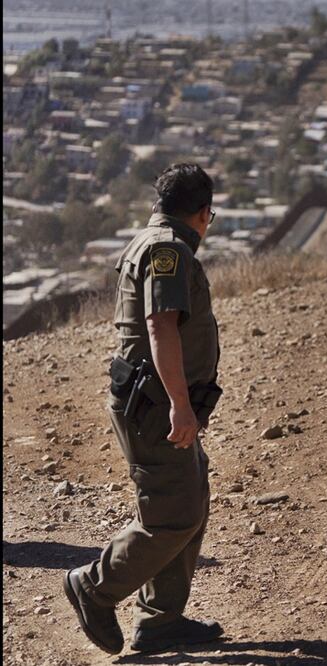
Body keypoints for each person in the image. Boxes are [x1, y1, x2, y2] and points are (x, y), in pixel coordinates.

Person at [63, 163, 224, 654]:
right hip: (156, 404)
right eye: (210, 216)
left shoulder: (153, 239)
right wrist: (180, 405)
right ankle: (94, 586)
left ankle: (160, 621)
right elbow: (160, 327)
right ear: (201, 213)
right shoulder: (166, 249)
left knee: (190, 500)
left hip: (160, 400)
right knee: (171, 514)